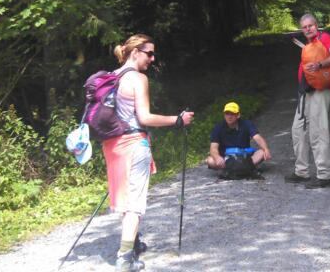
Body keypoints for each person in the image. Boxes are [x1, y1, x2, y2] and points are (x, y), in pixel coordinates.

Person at [106, 34, 194, 271]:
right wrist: (178, 120)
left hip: (112, 146)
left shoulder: (111, 77)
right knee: (134, 202)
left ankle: (133, 243)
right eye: (149, 53)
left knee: (124, 196)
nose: (153, 59)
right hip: (134, 143)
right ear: (135, 52)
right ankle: (124, 259)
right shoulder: (138, 78)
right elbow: (144, 117)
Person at [284, 14, 330, 189]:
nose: (308, 29)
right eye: (304, 27)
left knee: (318, 131)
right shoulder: (308, 45)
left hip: (321, 91)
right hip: (306, 92)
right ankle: (302, 171)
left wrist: (320, 65)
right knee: (298, 129)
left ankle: (324, 176)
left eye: (310, 25)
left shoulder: (325, 38)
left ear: (316, 26)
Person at [206, 101, 271, 174]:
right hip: (226, 158)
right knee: (210, 160)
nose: (229, 116)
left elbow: (257, 137)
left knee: (262, 152)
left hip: (244, 157)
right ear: (224, 115)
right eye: (227, 114)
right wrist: (217, 157)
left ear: (238, 115)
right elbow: (213, 148)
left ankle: (235, 169)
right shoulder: (218, 127)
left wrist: (266, 149)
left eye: (232, 114)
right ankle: (244, 169)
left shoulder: (247, 124)